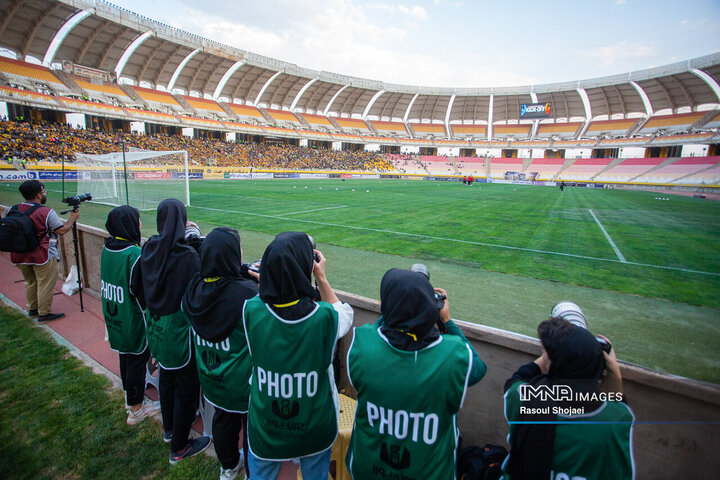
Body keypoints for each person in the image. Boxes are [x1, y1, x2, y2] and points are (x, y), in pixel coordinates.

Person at [344, 268, 486, 479]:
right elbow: (478, 368)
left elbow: (379, 332)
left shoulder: (362, 344)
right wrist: (447, 321)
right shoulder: (453, 355)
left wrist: (393, 312)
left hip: (368, 469)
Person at [242, 231, 353, 479]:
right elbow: (345, 314)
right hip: (315, 424)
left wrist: (271, 278)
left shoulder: (250, 310)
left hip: (266, 422)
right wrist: (321, 278)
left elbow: (264, 300)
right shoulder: (326, 318)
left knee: (261, 474)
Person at [502, 303, 634, 480]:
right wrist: (613, 370)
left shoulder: (525, 399)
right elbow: (616, 403)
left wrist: (550, 354)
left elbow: (517, 379)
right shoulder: (616, 419)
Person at [130, 198, 211, 465]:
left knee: (166, 375)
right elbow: (199, 289)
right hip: (177, 329)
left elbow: (138, 285)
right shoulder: (187, 256)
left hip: (154, 326)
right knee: (187, 385)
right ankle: (179, 446)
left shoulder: (149, 247)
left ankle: (169, 429)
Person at [183, 227, 259, 480]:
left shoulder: (193, 287)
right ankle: (251, 471)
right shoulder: (247, 295)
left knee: (223, 419)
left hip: (211, 376)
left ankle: (227, 466)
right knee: (250, 428)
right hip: (242, 381)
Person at [101, 205, 161, 425]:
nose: (140, 224)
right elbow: (141, 290)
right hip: (131, 316)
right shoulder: (134, 254)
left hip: (113, 312)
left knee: (124, 354)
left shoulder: (108, 247)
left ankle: (130, 396)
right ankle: (136, 409)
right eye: (138, 220)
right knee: (136, 359)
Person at [9, 179, 78, 322]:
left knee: (30, 281)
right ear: (38, 195)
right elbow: (62, 230)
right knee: (45, 283)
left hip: (19, 254)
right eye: (43, 191)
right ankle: (44, 313)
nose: (45, 193)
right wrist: (72, 219)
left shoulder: (12, 209)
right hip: (42, 254)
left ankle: (33, 309)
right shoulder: (45, 212)